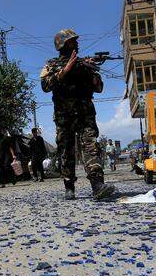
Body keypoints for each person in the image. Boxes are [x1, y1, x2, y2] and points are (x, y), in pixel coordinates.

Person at [40, 29, 115, 201]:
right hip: (64, 117)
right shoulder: (51, 65)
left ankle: (97, 185)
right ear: (63, 44)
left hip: (85, 115)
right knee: (66, 151)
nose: (77, 44)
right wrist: (65, 71)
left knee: (91, 147)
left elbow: (99, 88)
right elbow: (45, 85)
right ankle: (69, 187)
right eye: (73, 41)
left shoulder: (83, 64)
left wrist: (91, 71)